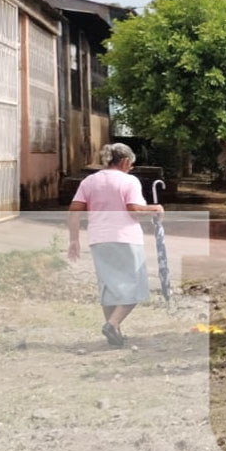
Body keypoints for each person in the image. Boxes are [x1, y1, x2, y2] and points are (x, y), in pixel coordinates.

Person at [67, 143, 161, 348]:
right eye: (131, 164)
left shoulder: (89, 181)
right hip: (125, 238)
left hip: (98, 239)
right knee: (136, 285)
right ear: (125, 162)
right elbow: (134, 210)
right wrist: (155, 208)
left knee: (109, 285)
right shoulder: (129, 181)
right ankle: (113, 324)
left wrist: (74, 239)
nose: (132, 168)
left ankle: (115, 332)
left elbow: (74, 211)